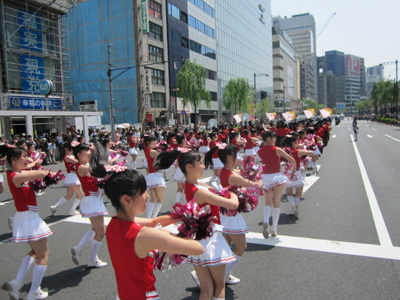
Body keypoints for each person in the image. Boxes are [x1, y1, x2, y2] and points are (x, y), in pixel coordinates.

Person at [90, 147, 203, 300]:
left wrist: (184, 216)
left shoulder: (114, 223)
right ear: (127, 199)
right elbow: (198, 249)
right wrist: (167, 234)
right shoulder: (145, 236)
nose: (148, 196)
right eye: (143, 192)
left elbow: (154, 221)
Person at [153, 149, 239, 300]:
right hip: (211, 239)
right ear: (189, 167)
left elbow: (204, 187)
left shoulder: (191, 185)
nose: (204, 166)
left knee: (207, 289)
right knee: (219, 286)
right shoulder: (199, 192)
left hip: (199, 239)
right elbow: (233, 204)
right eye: (200, 163)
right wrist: (232, 192)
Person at [3, 146, 51, 300]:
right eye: (23, 156)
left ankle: (17, 282)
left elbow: (30, 169)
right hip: (29, 218)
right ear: (13, 159)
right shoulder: (16, 177)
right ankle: (34, 291)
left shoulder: (17, 173)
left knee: (36, 252)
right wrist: (35, 163)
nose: (27, 159)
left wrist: (32, 161)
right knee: (43, 254)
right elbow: (41, 172)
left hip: (26, 216)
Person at [217, 144, 263, 285]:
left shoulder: (224, 171)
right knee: (241, 247)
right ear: (230, 157)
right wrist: (260, 180)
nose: (238, 159)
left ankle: (222, 274)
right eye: (237, 156)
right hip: (232, 215)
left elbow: (238, 173)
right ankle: (221, 275)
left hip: (224, 212)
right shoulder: (231, 176)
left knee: (225, 248)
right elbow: (252, 184)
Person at [70, 143, 108, 268]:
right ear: (79, 155)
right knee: (101, 232)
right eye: (86, 151)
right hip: (91, 200)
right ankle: (92, 259)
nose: (89, 152)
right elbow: (97, 170)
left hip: (94, 199)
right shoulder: (80, 167)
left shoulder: (85, 165)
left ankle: (79, 247)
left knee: (96, 229)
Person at [258, 130, 296, 238]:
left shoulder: (260, 151)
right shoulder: (277, 149)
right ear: (269, 138)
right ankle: (274, 228)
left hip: (265, 177)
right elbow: (292, 159)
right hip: (277, 177)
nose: (275, 140)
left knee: (267, 202)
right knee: (277, 202)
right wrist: (294, 169)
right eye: (274, 138)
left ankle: (266, 221)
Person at [281, 134, 315, 216]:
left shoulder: (285, 152)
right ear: (293, 142)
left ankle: (292, 207)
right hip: (297, 174)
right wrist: (309, 145)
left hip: (288, 173)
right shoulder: (298, 151)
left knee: (289, 193)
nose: (298, 143)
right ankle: (294, 206)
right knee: (298, 193)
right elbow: (312, 152)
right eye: (297, 142)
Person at [50, 142, 83, 216]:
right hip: (72, 176)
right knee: (80, 194)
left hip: (73, 176)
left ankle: (55, 207)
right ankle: (72, 210)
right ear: (65, 148)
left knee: (69, 196)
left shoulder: (71, 156)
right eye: (70, 149)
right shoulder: (66, 157)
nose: (71, 151)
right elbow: (77, 162)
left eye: (71, 149)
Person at [143, 135, 166, 218]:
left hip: (150, 176)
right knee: (160, 199)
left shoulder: (147, 150)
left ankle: (149, 217)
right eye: (153, 141)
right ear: (148, 142)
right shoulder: (153, 152)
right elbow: (163, 158)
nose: (155, 143)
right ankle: (153, 218)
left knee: (153, 199)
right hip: (157, 176)